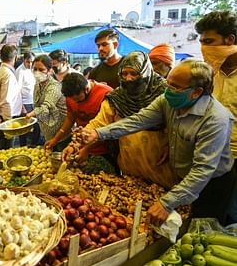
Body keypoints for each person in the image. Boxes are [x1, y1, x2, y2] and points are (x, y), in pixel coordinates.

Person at [80, 59, 235, 226]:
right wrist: (98, 133)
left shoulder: (215, 120)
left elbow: (202, 171)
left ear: (196, 92)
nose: (168, 90)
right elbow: (137, 121)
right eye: (168, 84)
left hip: (211, 184)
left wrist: (166, 203)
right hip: (181, 177)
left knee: (203, 228)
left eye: (174, 87)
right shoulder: (168, 100)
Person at [63, 51, 173, 186]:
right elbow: (99, 122)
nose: (128, 79)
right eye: (124, 74)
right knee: (132, 193)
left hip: (159, 160)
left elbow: (176, 122)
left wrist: (171, 145)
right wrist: (74, 145)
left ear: (145, 71)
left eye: (134, 73)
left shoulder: (165, 92)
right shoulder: (117, 97)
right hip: (129, 161)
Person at [195, 10, 237, 223]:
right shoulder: (209, 75)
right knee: (206, 215)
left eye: (209, 41)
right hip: (210, 158)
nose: (204, 48)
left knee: (231, 219)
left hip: (234, 161)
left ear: (230, 40)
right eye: (201, 41)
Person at [45, 72, 113, 162]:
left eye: (77, 98)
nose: (74, 101)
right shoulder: (71, 93)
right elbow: (70, 118)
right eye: (71, 99)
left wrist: (87, 149)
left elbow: (108, 128)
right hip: (80, 144)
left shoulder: (106, 93)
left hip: (104, 148)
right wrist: (55, 139)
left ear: (87, 89)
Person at [26, 55, 67, 145]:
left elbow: (47, 106)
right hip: (48, 133)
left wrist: (31, 114)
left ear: (49, 70)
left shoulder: (54, 86)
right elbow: (36, 103)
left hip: (61, 135)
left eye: (41, 70)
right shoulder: (37, 84)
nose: (37, 72)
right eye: (35, 69)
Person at [0, 44, 23, 152]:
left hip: (3, 116)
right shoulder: (7, 74)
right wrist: (8, 123)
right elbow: (6, 101)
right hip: (7, 118)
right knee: (7, 152)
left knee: (3, 151)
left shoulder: (1, 71)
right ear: (16, 57)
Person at [16, 51, 40, 146]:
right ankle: (23, 146)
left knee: (37, 126)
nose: (30, 64)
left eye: (32, 62)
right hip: (25, 103)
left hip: (34, 102)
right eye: (28, 62)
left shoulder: (34, 69)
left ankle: (34, 145)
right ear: (24, 60)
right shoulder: (20, 71)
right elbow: (17, 90)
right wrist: (22, 106)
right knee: (24, 127)